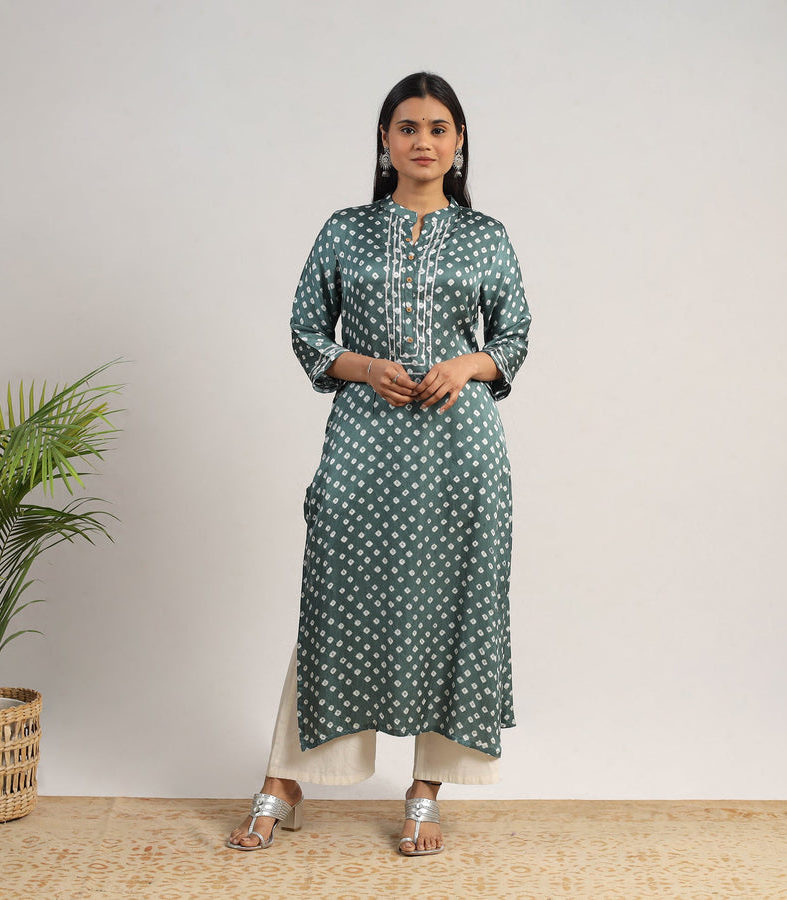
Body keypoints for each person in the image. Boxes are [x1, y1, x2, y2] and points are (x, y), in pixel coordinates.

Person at [227, 71, 531, 856]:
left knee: (456, 601)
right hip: (365, 436)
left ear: (459, 142)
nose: (423, 141)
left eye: (438, 128)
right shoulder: (345, 231)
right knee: (335, 596)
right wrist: (364, 368)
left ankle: (426, 789)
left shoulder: (487, 236)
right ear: (385, 140)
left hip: (460, 446)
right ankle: (287, 778)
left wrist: (464, 366)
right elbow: (306, 331)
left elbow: (514, 339)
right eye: (407, 127)